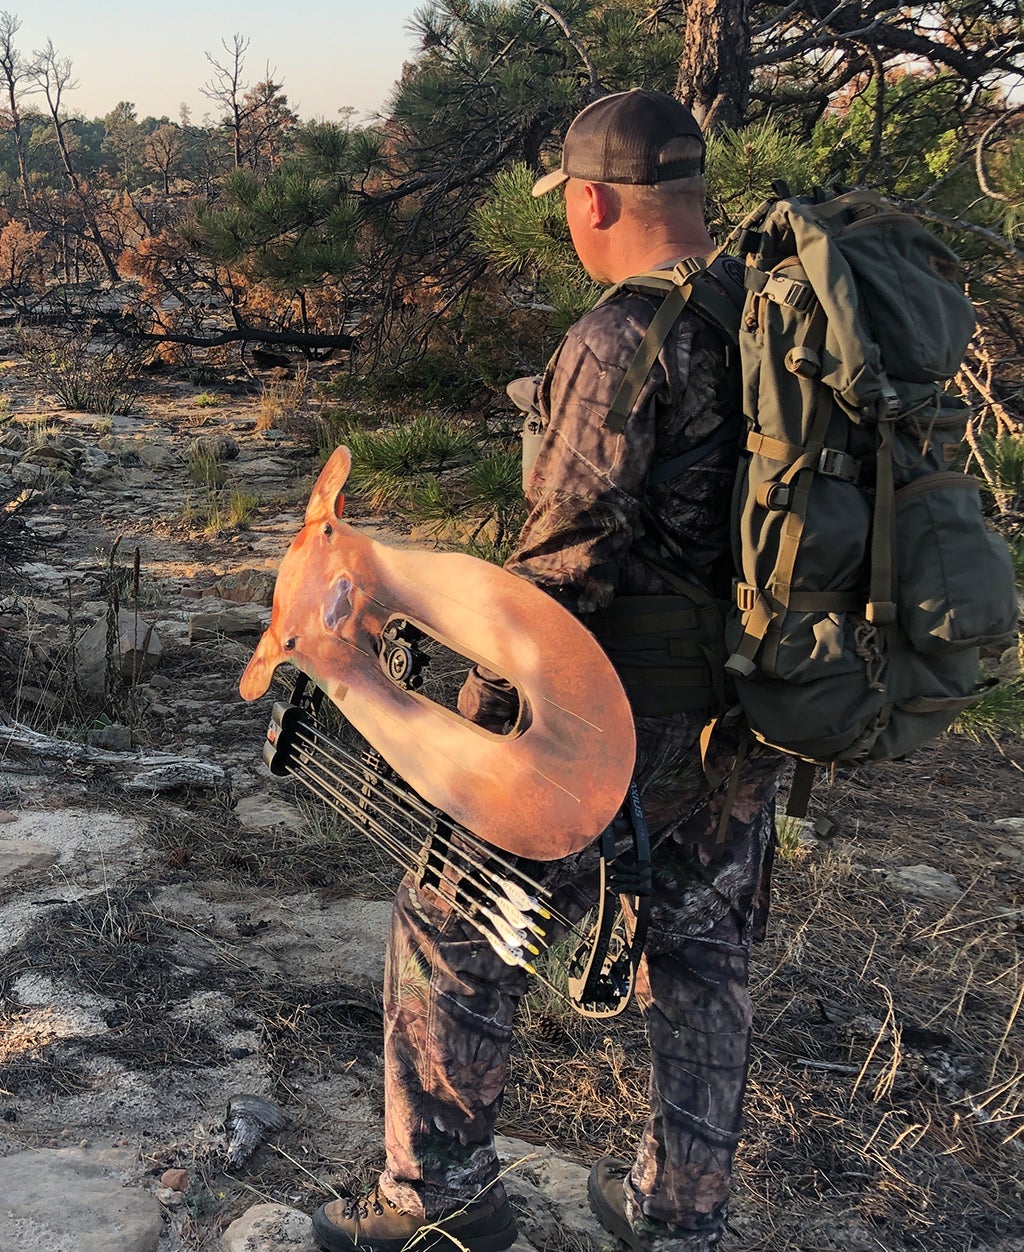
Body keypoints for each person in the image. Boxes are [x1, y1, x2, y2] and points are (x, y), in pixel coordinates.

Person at [311, 90, 785, 1252]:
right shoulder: (765, 321)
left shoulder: (620, 337)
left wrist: (468, 729)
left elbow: (558, 578)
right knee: (701, 955)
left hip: (607, 720)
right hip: (746, 711)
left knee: (449, 919)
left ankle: (438, 1205)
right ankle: (681, 1218)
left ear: (590, 200)